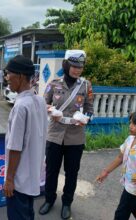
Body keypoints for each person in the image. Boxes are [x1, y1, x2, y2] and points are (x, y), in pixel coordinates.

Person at [39, 50, 94, 219]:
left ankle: (67, 203)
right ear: (66, 65)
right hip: (55, 135)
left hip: (75, 137)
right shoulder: (54, 83)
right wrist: (51, 110)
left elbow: (90, 110)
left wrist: (85, 118)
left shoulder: (86, 86)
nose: (77, 70)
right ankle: (49, 199)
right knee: (51, 171)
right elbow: (43, 103)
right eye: (74, 66)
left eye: (80, 66)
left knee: (72, 173)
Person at [3, 55, 48, 220]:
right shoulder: (40, 101)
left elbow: (15, 147)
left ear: (21, 76)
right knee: (28, 215)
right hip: (33, 176)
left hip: (19, 181)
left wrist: (9, 180)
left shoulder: (21, 106)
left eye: (9, 74)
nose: (7, 78)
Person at [96, 110, 136, 220]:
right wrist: (106, 171)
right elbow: (120, 158)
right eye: (130, 123)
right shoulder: (130, 139)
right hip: (127, 181)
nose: (131, 126)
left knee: (121, 214)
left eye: (135, 124)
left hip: (135, 187)